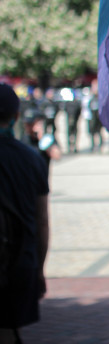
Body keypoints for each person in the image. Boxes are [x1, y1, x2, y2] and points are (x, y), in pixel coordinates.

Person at [0, 84, 50, 343]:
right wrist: (39, 270)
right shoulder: (32, 159)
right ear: (16, 116)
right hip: (21, 261)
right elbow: (42, 221)